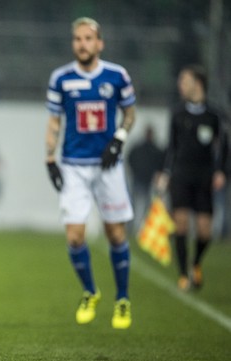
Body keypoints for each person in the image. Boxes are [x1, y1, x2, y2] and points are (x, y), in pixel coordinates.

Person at [44, 17, 136, 329]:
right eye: (77, 39)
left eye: (88, 38)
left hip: (108, 167)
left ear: (99, 43)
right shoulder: (61, 79)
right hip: (73, 166)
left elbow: (130, 113)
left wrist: (119, 140)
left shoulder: (116, 75)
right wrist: (49, 158)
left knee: (115, 234)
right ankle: (90, 291)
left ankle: (122, 299)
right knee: (74, 236)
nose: (82, 44)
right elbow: (55, 121)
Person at [156, 64, 228, 291]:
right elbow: (171, 147)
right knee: (181, 224)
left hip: (204, 177)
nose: (180, 85)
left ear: (197, 84)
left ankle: (195, 262)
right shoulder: (177, 114)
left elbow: (223, 147)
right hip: (180, 175)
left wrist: (220, 171)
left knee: (205, 230)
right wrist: (165, 173)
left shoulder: (214, 115)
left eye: (184, 81)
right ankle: (183, 274)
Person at [127, 125, 165, 233]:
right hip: (138, 180)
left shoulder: (156, 150)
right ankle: (131, 229)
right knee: (134, 206)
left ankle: (145, 229)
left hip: (150, 181)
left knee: (148, 207)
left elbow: (161, 164)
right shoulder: (139, 148)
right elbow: (131, 159)